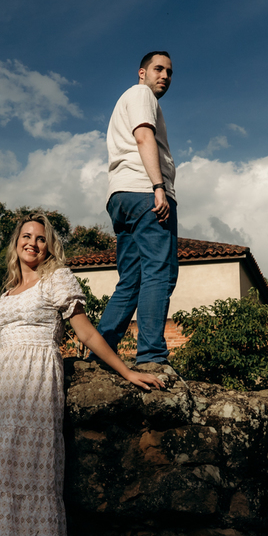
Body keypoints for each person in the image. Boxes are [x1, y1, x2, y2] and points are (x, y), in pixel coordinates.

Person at [0, 214, 163, 536]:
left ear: (49, 246)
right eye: (26, 236)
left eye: (41, 239)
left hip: (35, 380)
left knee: (26, 473)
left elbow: (87, 333)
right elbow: (4, 348)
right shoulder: (7, 290)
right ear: (15, 243)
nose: (33, 243)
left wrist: (126, 372)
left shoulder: (56, 278)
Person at [94, 51, 178, 365]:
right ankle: (152, 355)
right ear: (141, 72)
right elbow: (144, 137)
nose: (165, 76)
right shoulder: (141, 94)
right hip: (145, 191)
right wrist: (158, 187)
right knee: (160, 272)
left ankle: (100, 353)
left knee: (131, 278)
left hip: (121, 197)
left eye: (170, 72)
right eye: (159, 69)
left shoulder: (126, 100)